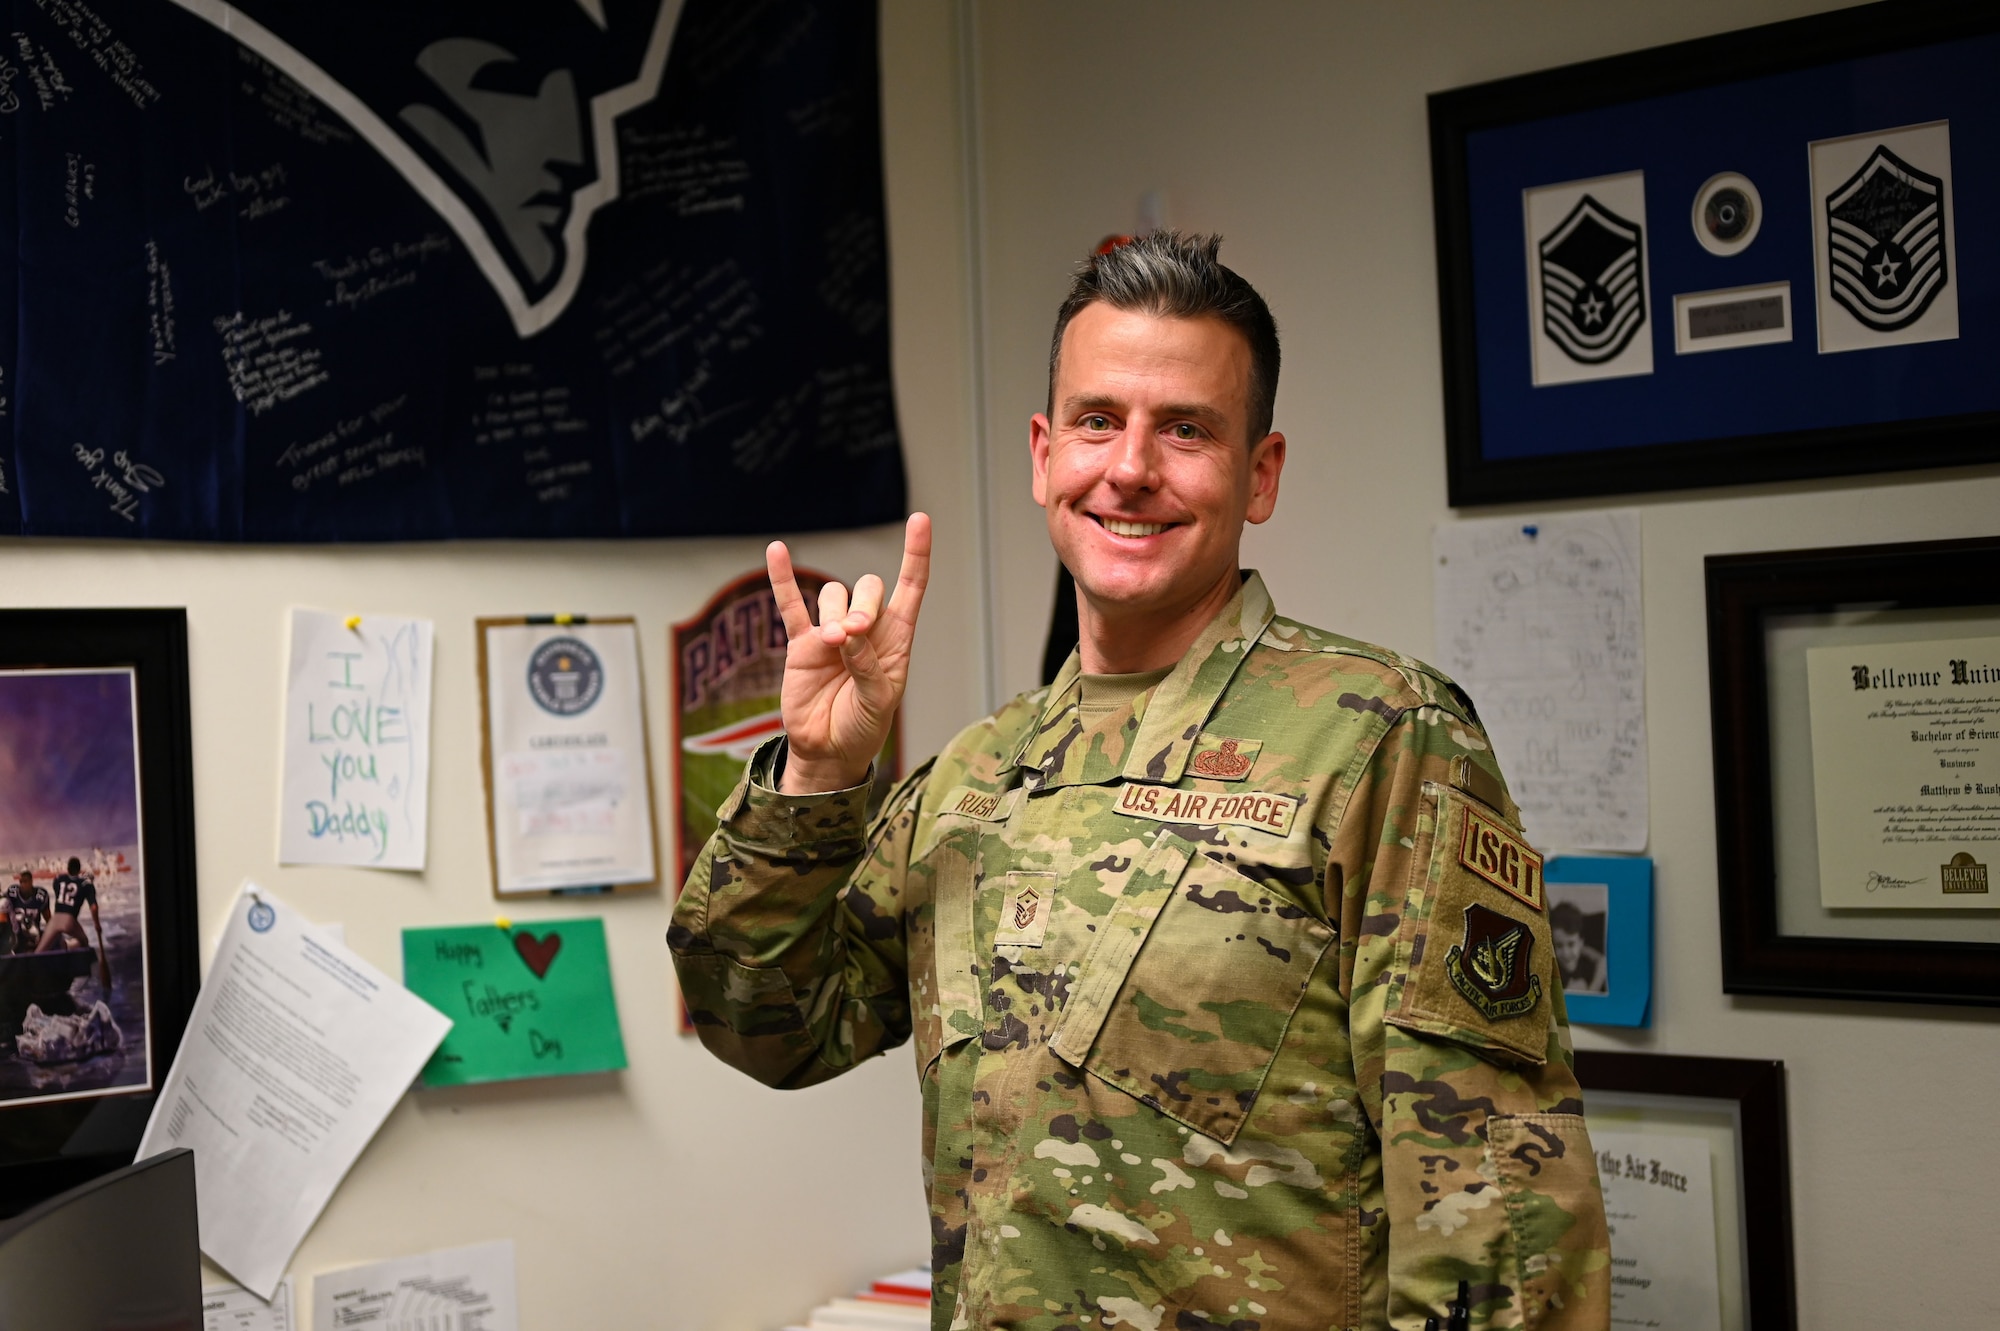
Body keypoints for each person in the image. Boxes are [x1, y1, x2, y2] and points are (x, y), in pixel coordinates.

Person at [671, 232, 1610, 1331]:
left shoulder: (1380, 737)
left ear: (1257, 476)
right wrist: (818, 778)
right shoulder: (977, 776)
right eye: (1096, 420)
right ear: (1042, 453)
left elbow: (1494, 1210)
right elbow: (765, 1024)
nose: (1129, 468)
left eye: (1185, 429)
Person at [37, 857, 103, 957]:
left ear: (68, 868)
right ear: (79, 869)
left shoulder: (59, 879)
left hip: (55, 919)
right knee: (84, 942)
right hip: (69, 920)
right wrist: (97, 925)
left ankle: (29, 968)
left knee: (39, 951)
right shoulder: (86, 884)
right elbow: (94, 908)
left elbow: (59, 892)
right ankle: (73, 956)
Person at [1551, 902, 1608, 995]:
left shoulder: (1591, 968)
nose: (1566, 953)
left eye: (1571, 944)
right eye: (1559, 945)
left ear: (1581, 942)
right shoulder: (1552, 972)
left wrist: (1591, 990)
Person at [9, 869, 50, 956]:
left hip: (33, 935)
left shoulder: (40, 896)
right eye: (21, 882)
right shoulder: (12, 894)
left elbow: (48, 919)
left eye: (25, 881)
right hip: (16, 935)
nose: (22, 885)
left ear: (31, 882)